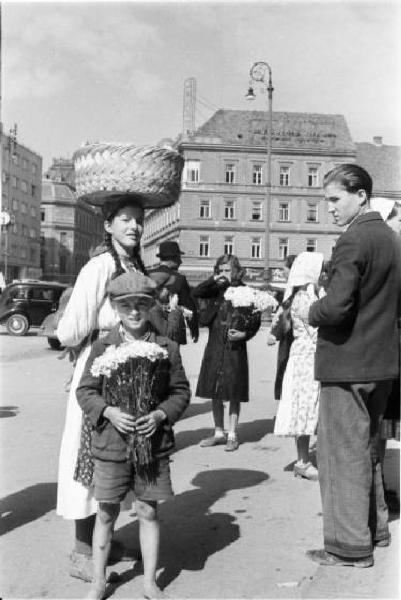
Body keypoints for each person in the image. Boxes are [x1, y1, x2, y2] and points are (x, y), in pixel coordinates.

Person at [56, 143, 184, 582]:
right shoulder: (96, 269)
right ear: (107, 224)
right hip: (101, 373)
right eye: (125, 219)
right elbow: (72, 330)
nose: (134, 225)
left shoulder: (131, 262)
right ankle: (80, 550)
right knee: (88, 457)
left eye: (138, 219)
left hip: (133, 379)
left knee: (114, 462)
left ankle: (101, 543)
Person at [303, 164, 401, 568]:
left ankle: (349, 547)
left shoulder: (352, 241)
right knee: (368, 450)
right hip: (382, 365)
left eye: (334, 199)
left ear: (360, 195)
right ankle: (374, 531)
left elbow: (338, 306)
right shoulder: (393, 240)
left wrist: (311, 309)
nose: (329, 209)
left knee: (342, 454)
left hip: (347, 365)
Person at [76, 271, 190, 600]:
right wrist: (108, 411)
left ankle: (150, 582)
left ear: (152, 305)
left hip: (151, 445)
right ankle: (99, 579)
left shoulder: (165, 346)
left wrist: (159, 414)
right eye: (126, 306)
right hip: (111, 444)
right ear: (114, 307)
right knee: (107, 510)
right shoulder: (103, 346)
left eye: (142, 304)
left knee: (148, 510)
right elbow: (86, 391)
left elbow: (180, 392)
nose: (135, 312)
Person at [192, 254, 261, 451]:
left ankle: (232, 434)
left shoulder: (246, 292)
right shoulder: (215, 291)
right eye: (220, 270)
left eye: (227, 271)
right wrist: (214, 280)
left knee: (233, 391)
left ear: (237, 272)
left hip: (234, 348)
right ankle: (218, 433)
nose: (224, 274)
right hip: (215, 346)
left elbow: (255, 320)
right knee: (214, 390)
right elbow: (197, 292)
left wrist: (244, 334)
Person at [273, 252, 324, 480]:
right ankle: (303, 461)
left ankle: (304, 459)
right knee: (306, 404)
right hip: (307, 357)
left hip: (305, 355)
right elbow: (315, 330)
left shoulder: (305, 295)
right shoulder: (305, 298)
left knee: (309, 405)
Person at [149, 241, 199, 343]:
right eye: (178, 258)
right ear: (172, 259)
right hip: (172, 331)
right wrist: (194, 330)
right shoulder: (179, 279)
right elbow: (190, 307)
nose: (181, 262)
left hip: (151, 330)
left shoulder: (148, 275)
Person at [267, 253, 297, 401]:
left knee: (287, 372)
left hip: (292, 340)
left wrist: (275, 333)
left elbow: (287, 313)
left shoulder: (296, 289)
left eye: (285, 268)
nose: (283, 271)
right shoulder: (290, 289)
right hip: (288, 339)